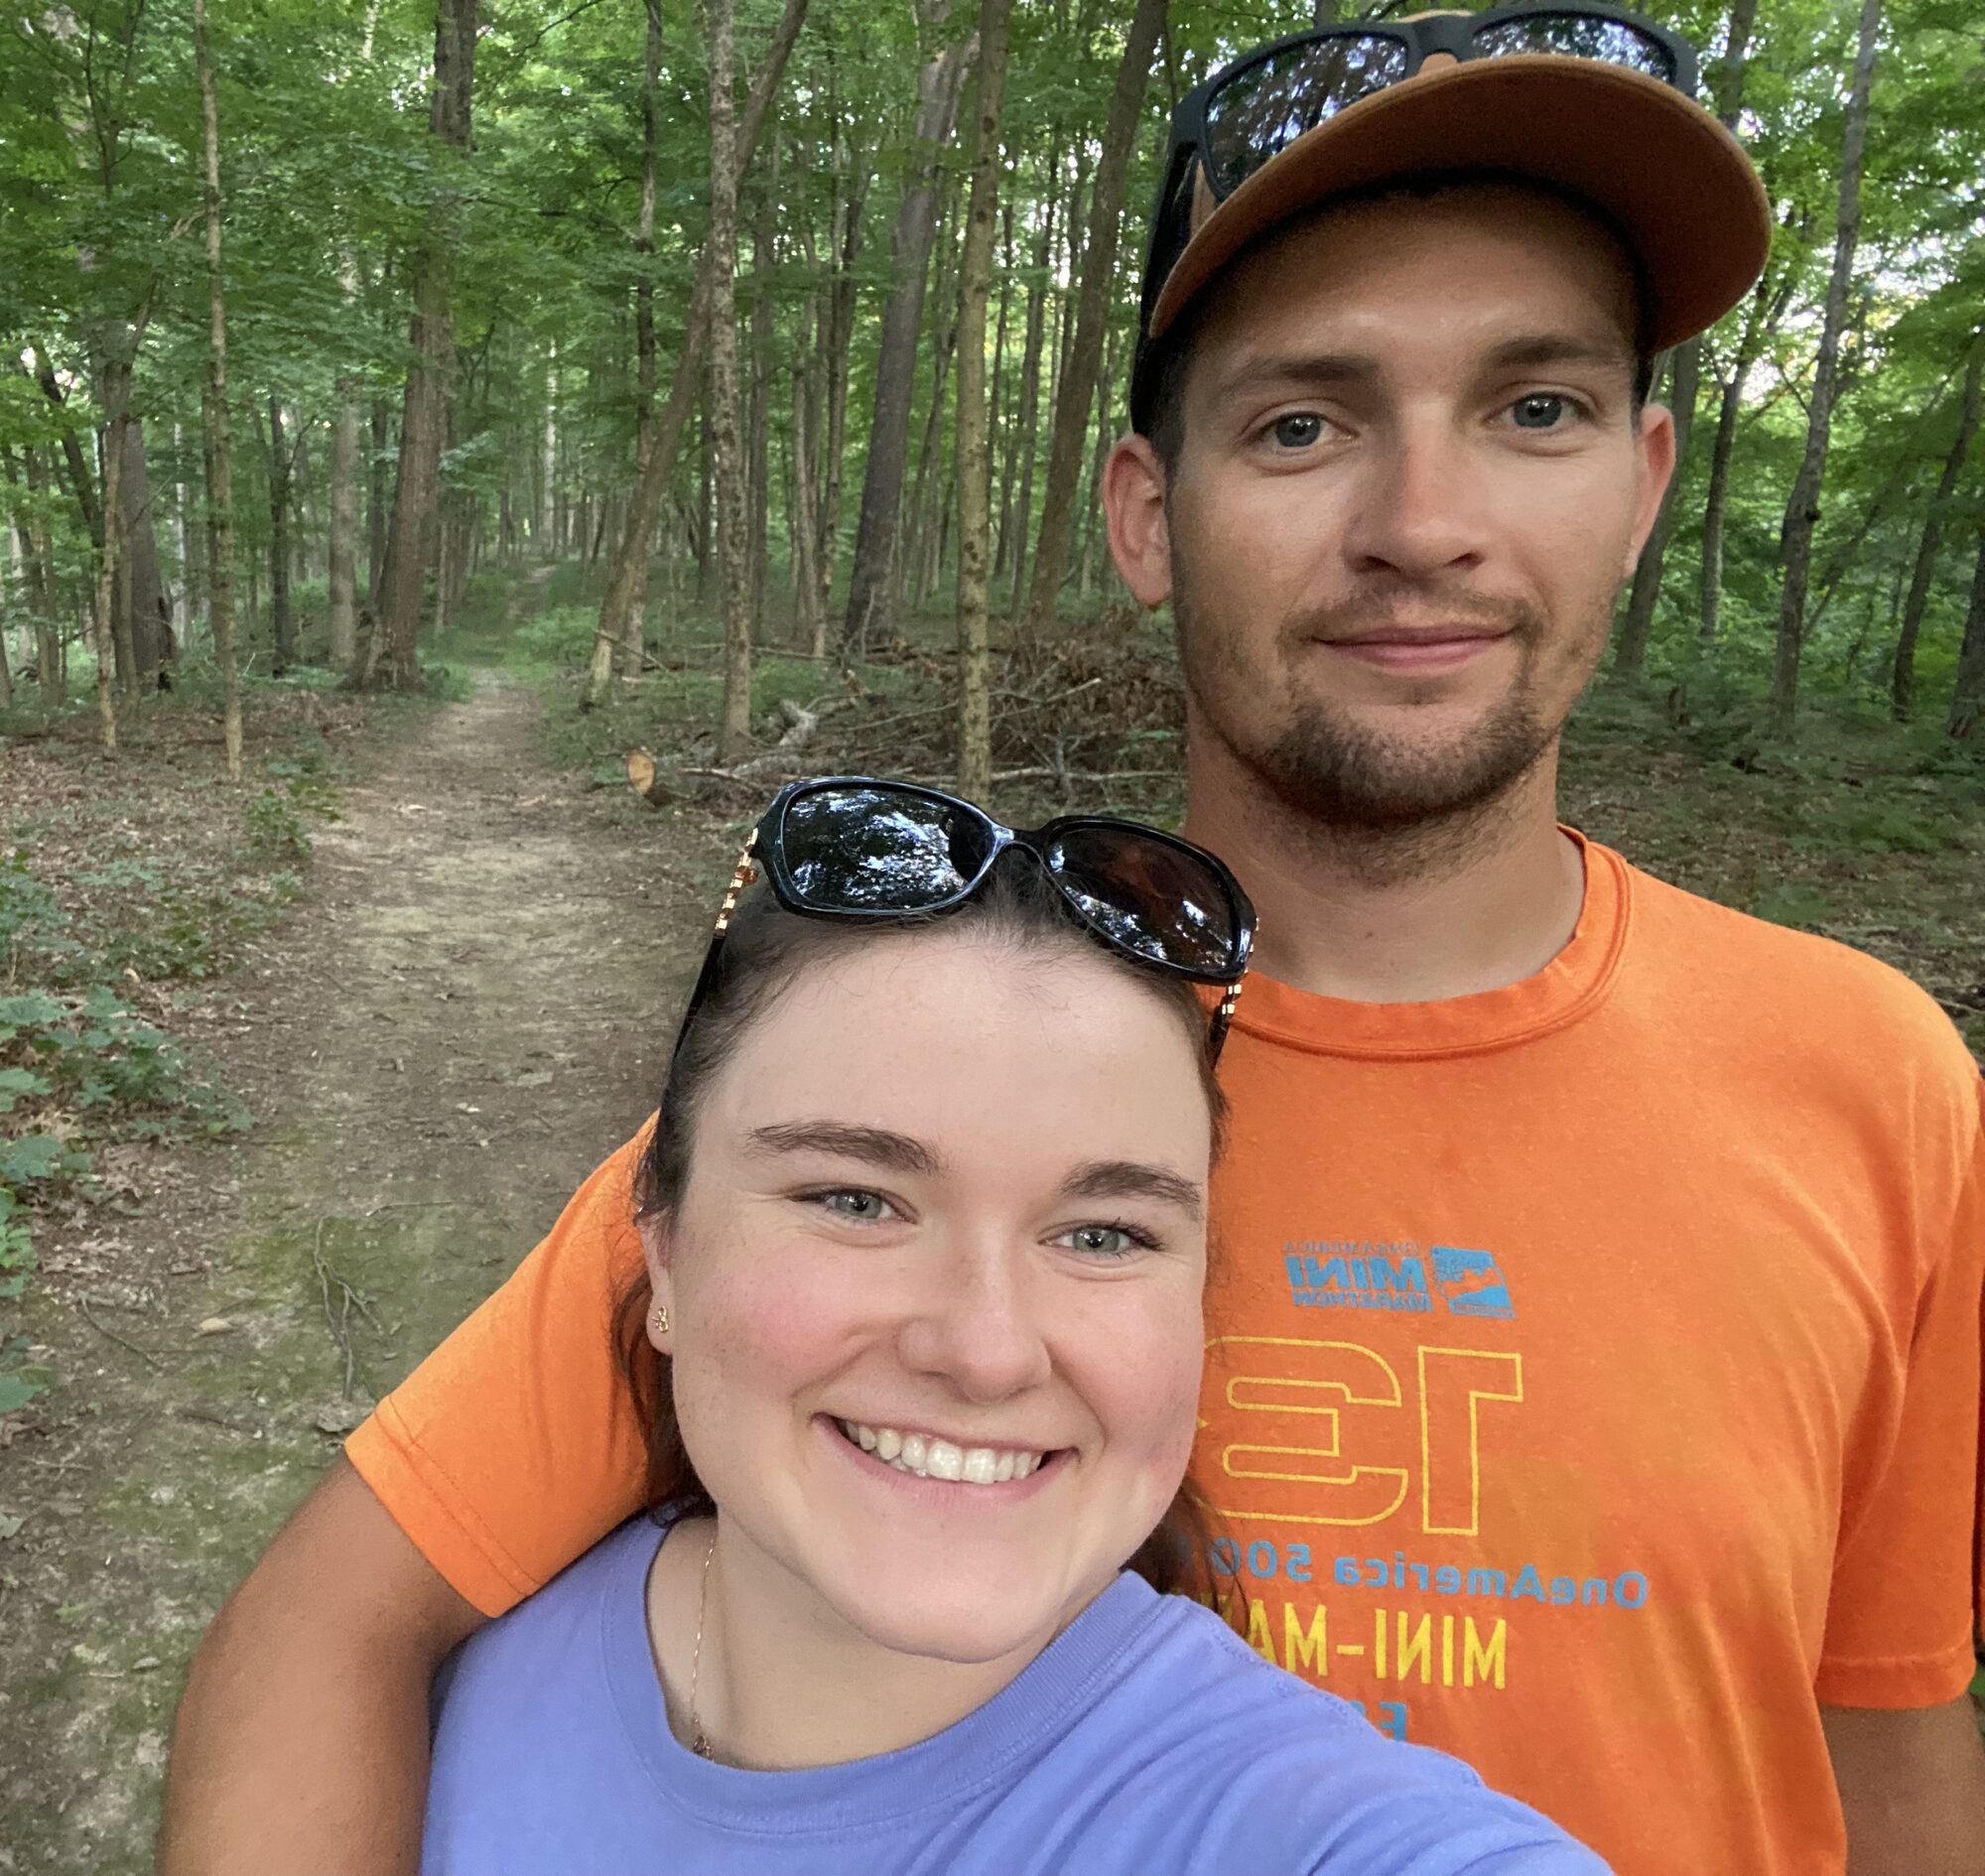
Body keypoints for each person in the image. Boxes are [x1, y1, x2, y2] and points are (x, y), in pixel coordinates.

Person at [162, 11, 1985, 1876]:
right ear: (1144, 514)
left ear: (1648, 479)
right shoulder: (917, 1083)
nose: (1424, 525)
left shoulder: (1876, 1079)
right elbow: (330, 1630)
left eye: (1536, 409)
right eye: (1301, 422)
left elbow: (1889, 1717)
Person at [417, 777, 1605, 1872]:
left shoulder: (1309, 1830)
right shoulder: (440, 1681)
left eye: (1101, 1234)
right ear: (662, 1241)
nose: (986, 1352)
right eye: (856, 1200)